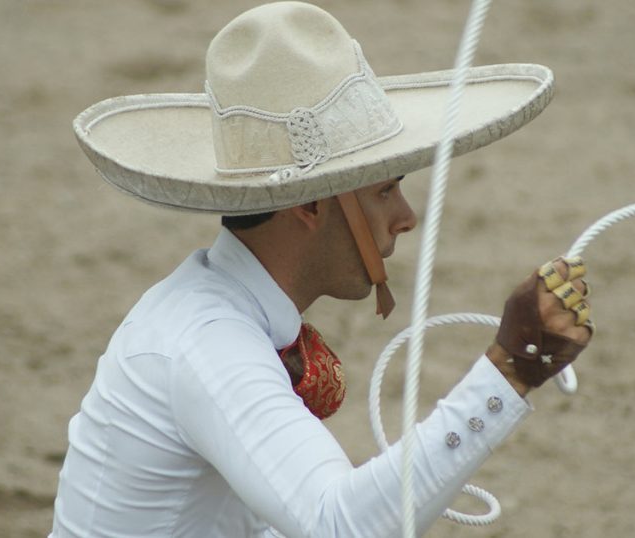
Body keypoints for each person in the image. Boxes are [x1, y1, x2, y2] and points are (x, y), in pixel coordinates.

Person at [51, 2, 593, 537]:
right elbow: (337, 526)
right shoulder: (208, 341)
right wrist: (508, 372)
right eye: (385, 190)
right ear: (309, 206)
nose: (406, 218)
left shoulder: (211, 312)